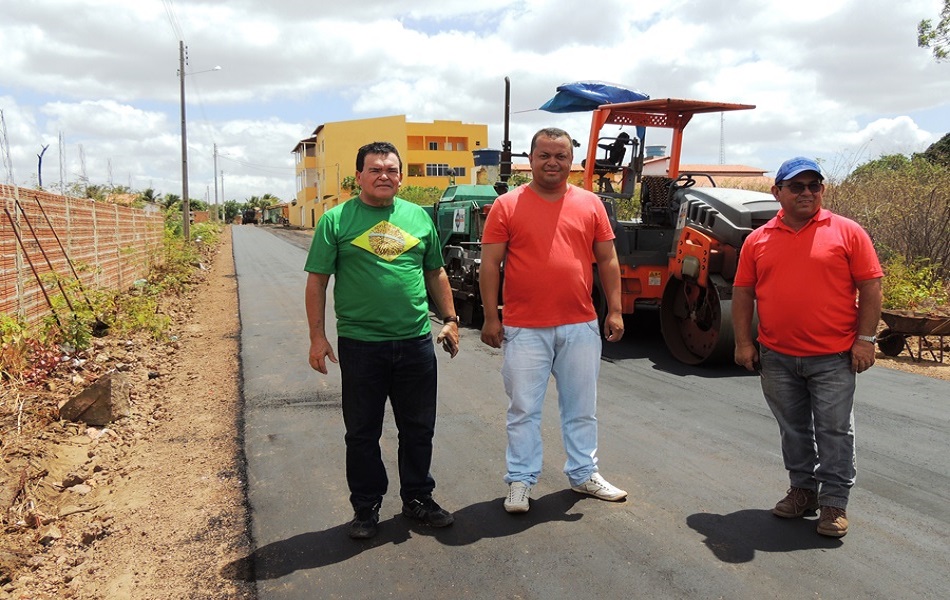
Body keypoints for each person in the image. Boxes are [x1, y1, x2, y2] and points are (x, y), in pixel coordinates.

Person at [304, 141, 460, 539]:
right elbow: (317, 281)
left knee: (419, 427)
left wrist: (452, 319)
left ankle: (418, 498)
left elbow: (436, 272)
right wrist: (318, 337)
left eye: (391, 170)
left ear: (401, 176)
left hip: (414, 343)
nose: (384, 176)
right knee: (361, 431)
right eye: (375, 170)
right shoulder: (336, 221)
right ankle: (366, 506)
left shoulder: (418, 219)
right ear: (359, 176)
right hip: (361, 344)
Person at [479, 127, 628, 514]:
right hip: (524, 327)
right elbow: (491, 265)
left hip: (579, 324)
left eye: (560, 156)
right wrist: (490, 317)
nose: (552, 162)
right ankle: (521, 481)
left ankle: (583, 474)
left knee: (581, 406)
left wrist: (614, 309)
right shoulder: (507, 206)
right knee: (523, 409)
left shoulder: (591, 204)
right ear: (530, 160)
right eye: (544, 155)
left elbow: (608, 260)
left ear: (571, 162)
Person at [733, 156, 883, 538]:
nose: (806, 193)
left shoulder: (848, 232)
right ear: (777, 192)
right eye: (796, 186)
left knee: (835, 431)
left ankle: (834, 503)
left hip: (833, 356)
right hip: (777, 356)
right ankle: (803, 492)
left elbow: (870, 287)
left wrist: (865, 340)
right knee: (793, 429)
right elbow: (743, 292)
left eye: (813, 185)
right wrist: (743, 342)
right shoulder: (758, 239)